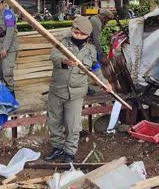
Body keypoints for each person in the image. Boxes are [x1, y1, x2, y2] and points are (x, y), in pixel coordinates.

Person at [44, 16, 112, 163]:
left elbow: (95, 68)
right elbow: (54, 55)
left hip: (76, 93)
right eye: (76, 32)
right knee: (54, 121)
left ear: (88, 36)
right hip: (57, 89)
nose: (78, 36)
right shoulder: (62, 43)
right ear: (72, 30)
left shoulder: (91, 50)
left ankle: (69, 152)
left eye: (82, 34)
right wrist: (64, 60)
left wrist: (104, 82)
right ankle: (57, 147)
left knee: (73, 125)